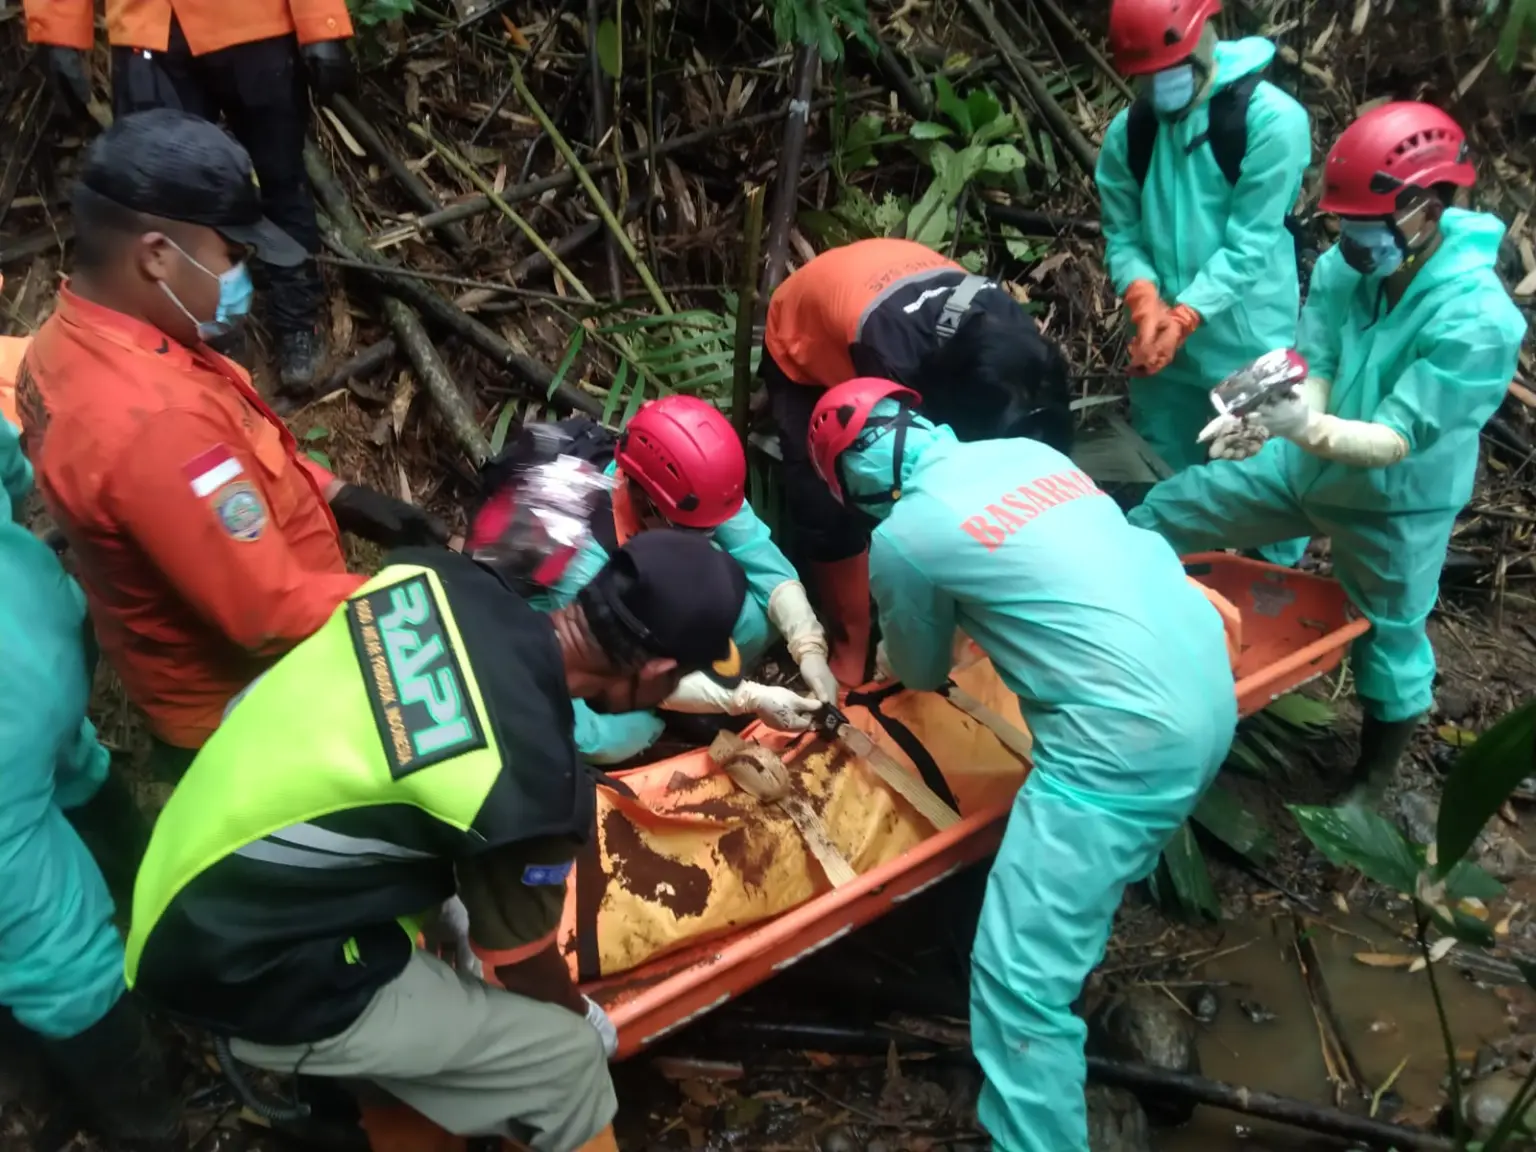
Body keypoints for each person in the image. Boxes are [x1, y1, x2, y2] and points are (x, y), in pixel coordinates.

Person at [125, 529, 750, 1152]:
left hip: (185, 858)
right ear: (658, 670)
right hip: (245, 965)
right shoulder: (530, 780)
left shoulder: (440, 580)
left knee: (439, 919)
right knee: (566, 1063)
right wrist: (580, 1019)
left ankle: (397, 1109)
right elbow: (521, 959)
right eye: (680, 679)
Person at [805, 377, 1238, 1152]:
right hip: (1207, 687)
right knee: (1067, 914)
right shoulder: (1020, 453)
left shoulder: (905, 534)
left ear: (850, 480)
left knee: (1017, 987)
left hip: (1121, 749)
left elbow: (921, 667)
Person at [17, 110, 444, 778]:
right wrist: (409, 600)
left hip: (190, 668)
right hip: (245, 704)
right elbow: (266, 614)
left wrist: (341, 495)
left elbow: (231, 454)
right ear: (157, 255)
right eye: (234, 256)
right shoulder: (153, 423)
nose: (245, 275)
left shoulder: (70, 342)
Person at [1129, 102, 1526, 800]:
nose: (1350, 238)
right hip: (1304, 468)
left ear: (1425, 209)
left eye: (1366, 224)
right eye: (1344, 221)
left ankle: (1373, 778)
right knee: (1171, 510)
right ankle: (1127, 634)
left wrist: (1299, 424)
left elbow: (1400, 439)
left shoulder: (1478, 321)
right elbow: (1320, 361)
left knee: (1391, 632)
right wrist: (1285, 406)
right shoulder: (1351, 267)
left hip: (1396, 503)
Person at [761, 237, 1074, 686]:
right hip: (807, 326)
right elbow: (914, 511)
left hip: (893, 282)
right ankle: (851, 642)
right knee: (831, 497)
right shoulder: (890, 352)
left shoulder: (1018, 346)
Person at [0, 409, 183, 1150]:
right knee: (69, 765)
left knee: (51, 945)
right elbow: (11, 470)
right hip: (35, 633)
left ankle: (147, 1120)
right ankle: (147, 875)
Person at [482, 396, 838, 765]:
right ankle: (673, 708)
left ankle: (695, 689)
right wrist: (744, 698)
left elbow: (760, 558)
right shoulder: (582, 559)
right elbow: (614, 665)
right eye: (693, 531)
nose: (707, 538)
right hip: (567, 656)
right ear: (644, 499)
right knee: (619, 736)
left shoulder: (695, 491)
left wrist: (809, 646)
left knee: (753, 615)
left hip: (644, 630)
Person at [24, 0, 355, 391]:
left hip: (252, 20)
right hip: (149, 24)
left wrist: (321, 21)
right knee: (163, 194)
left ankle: (298, 318)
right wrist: (59, 28)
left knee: (280, 174)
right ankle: (207, 335)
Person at [1098, 0, 1311, 566]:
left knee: (1261, 472)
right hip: (1161, 349)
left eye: (1170, 71)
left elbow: (1252, 241)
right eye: (1146, 78)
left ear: (1203, 45)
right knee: (1164, 469)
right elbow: (1122, 232)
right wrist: (1143, 297)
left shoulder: (1270, 122)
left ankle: (1272, 586)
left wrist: (1187, 315)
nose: (1159, 86)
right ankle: (1177, 588)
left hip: (1245, 335)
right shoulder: (1130, 132)